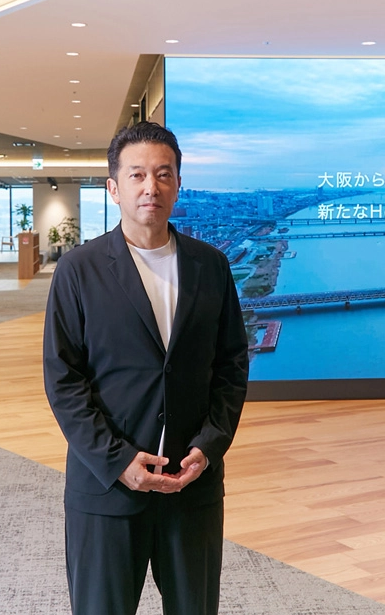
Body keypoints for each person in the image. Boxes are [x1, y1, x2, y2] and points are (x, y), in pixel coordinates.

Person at [43, 121, 249, 615]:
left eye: (163, 174)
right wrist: (117, 461)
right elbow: (64, 379)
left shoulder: (211, 266)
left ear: (178, 185)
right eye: (136, 175)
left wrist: (209, 446)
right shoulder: (79, 270)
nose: (150, 187)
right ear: (113, 188)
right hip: (107, 488)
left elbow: (231, 366)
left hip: (191, 484)